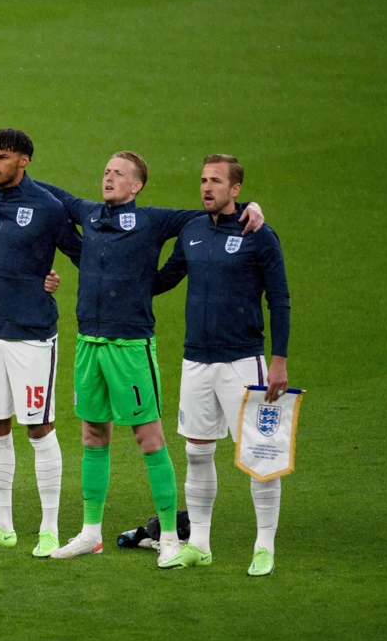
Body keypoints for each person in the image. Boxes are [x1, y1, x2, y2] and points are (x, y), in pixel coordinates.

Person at [36, 152, 263, 566]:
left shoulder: (154, 220)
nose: (108, 177)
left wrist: (249, 207)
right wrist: (3, 184)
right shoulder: (88, 213)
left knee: (150, 439)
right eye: (105, 171)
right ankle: (90, 533)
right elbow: (54, 196)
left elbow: (209, 212)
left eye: (118, 173)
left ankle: (172, 537)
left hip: (131, 348)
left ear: (137, 185)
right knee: (92, 435)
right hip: (89, 343)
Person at [152, 155, 290, 576]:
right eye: (202, 180)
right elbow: (165, 279)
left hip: (244, 361)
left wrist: (279, 360)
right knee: (196, 453)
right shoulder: (192, 230)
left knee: (260, 455)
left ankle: (264, 546)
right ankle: (200, 544)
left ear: (235, 190)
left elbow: (279, 299)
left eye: (216, 181)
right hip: (196, 360)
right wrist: (114, 277)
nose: (206, 187)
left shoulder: (259, 234)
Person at [0, 129, 80, 557]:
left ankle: (49, 527)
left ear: (24, 161)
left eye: (3, 157)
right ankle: (1, 524)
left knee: (39, 426)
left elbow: (80, 252)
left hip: (32, 335)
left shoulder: (49, 209)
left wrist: (53, 280)